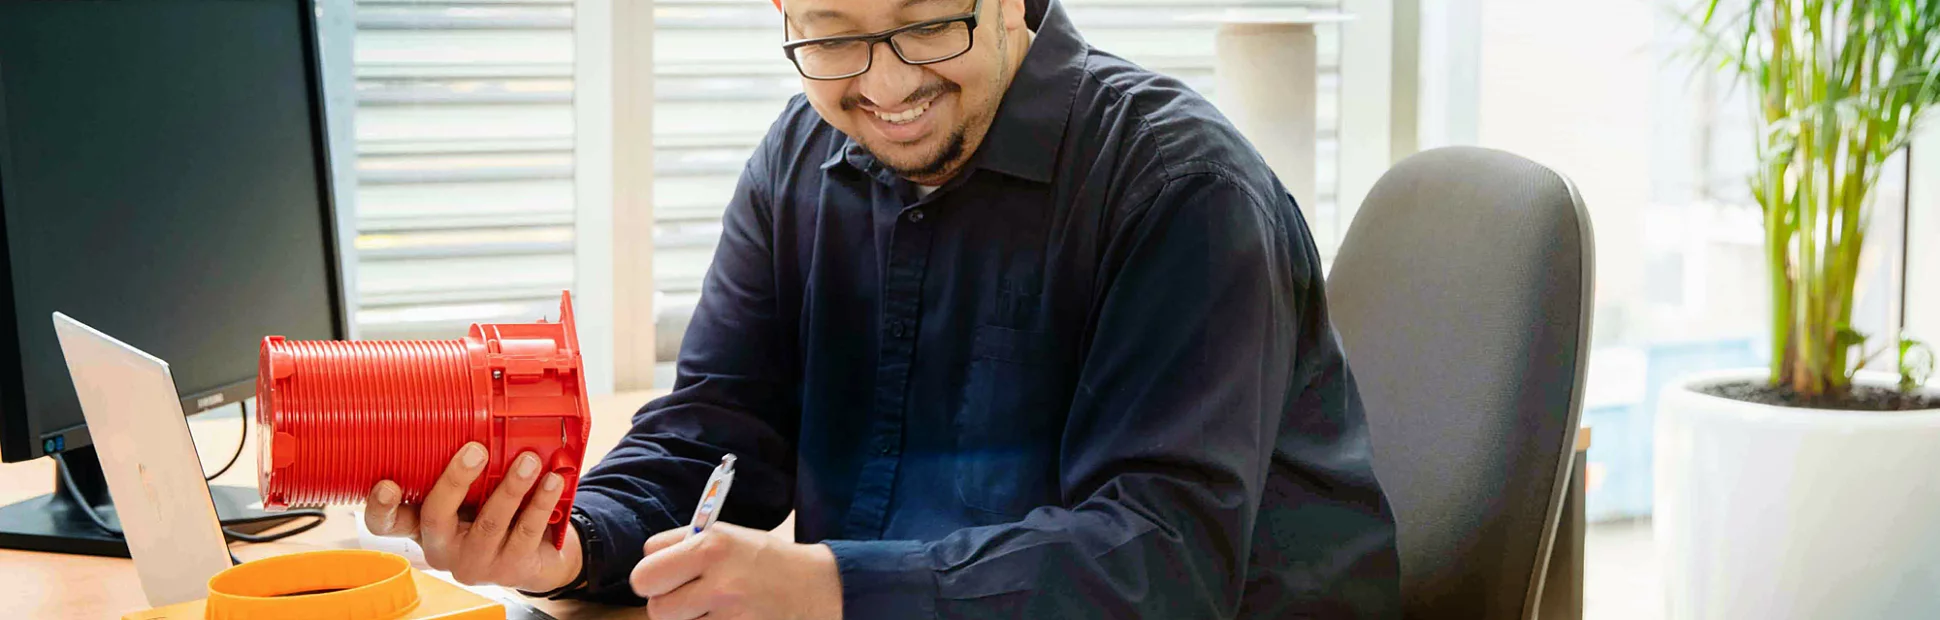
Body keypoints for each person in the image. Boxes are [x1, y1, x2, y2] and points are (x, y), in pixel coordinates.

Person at [363, 0, 1401, 615]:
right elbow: (715, 434)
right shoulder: (799, 158)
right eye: (831, 35)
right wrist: (579, 543)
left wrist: (824, 587)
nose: (883, 83)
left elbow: (1159, 560)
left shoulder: (1179, 186)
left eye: (920, 24)